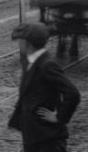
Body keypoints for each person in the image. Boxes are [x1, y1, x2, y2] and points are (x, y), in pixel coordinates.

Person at [8, 22, 80, 152]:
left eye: (21, 40)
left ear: (27, 43)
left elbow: (73, 93)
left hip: (48, 138)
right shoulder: (32, 62)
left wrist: (59, 117)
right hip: (35, 135)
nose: (19, 44)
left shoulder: (47, 65)